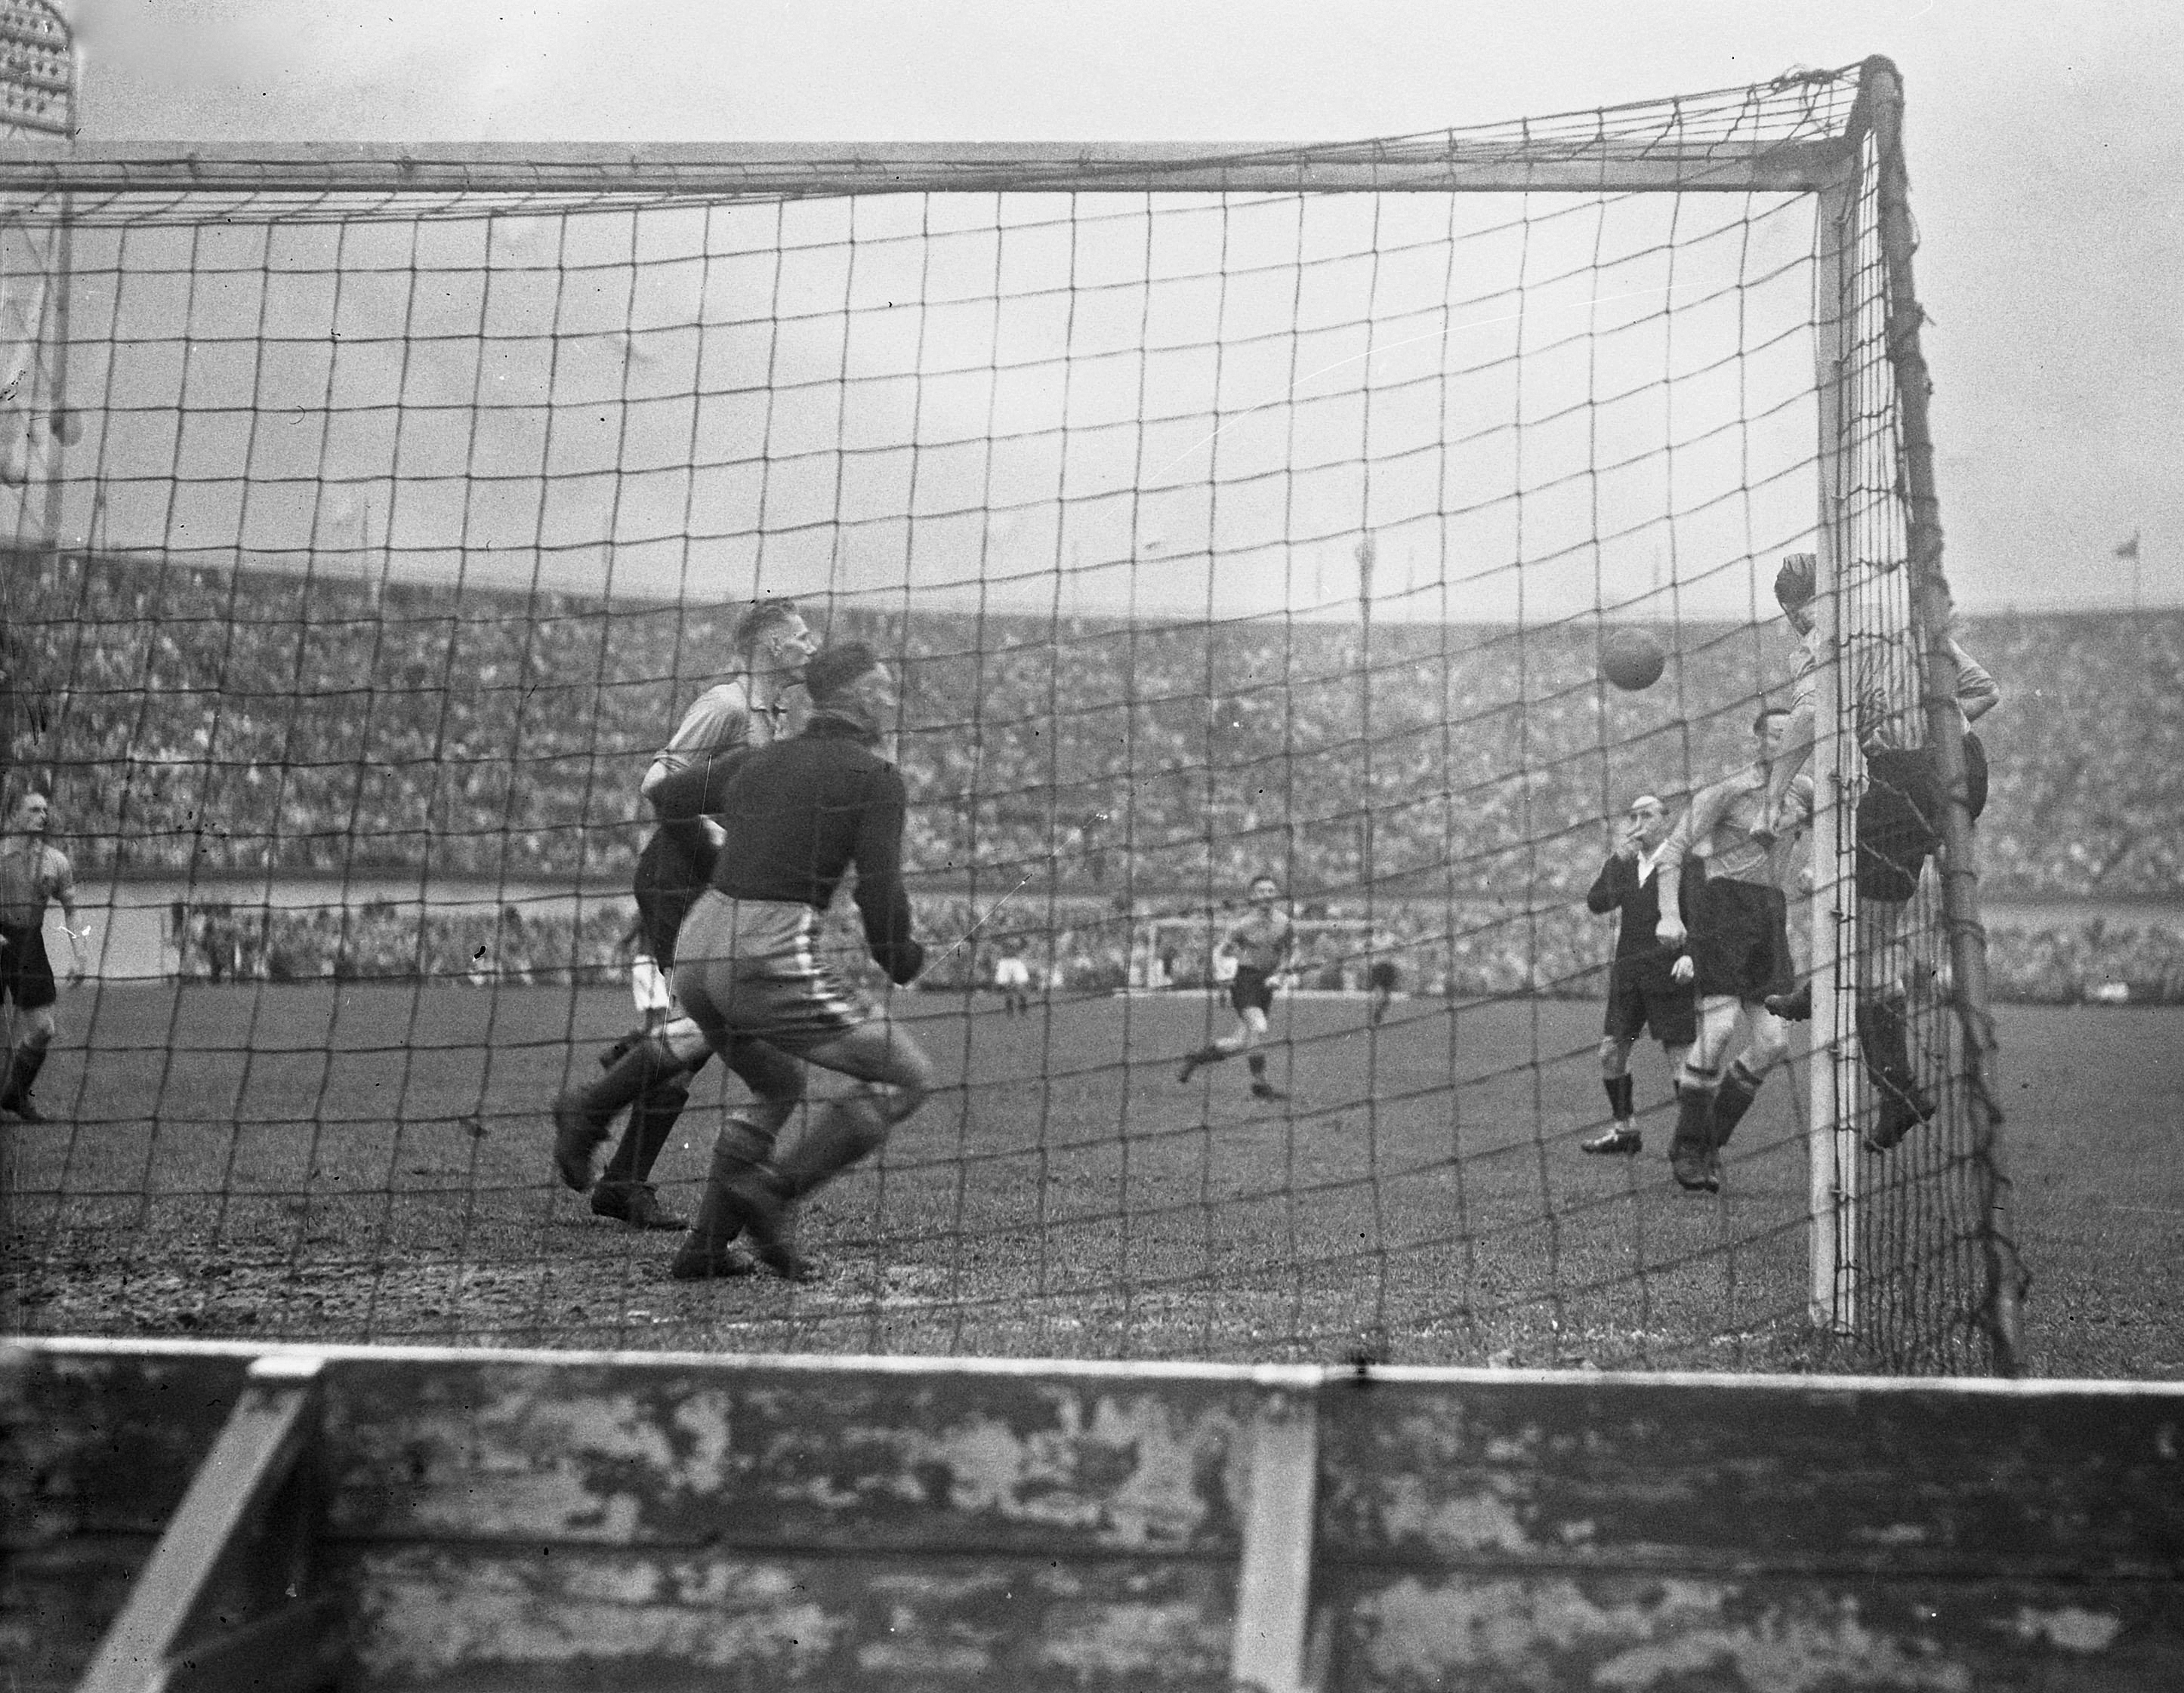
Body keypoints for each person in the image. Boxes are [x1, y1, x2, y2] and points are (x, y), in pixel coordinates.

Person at [665, 641, 935, 1282]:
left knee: (779, 1084)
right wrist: (901, 958)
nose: (891, 700)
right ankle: (774, 1192)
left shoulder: (759, 761)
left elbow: (670, 798)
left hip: (698, 943)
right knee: (907, 1075)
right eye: (885, 687)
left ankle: (704, 1248)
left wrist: (715, 866)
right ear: (859, 697)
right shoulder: (875, 777)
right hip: (765, 948)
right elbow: (879, 890)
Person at [552, 597, 814, 1230]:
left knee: (699, 1023)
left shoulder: (769, 712)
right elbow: (656, 782)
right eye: (801, 636)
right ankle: (602, 1117)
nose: (811, 644)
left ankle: (618, 1147)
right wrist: (726, 844)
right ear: (773, 646)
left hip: (709, 882)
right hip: (678, 873)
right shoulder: (726, 706)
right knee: (704, 1016)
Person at [1759, 554, 2000, 1151]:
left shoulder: (1824, 637)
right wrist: (1926, 721)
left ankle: (1897, 1091)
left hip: (1903, 777)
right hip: (1962, 770)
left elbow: (1811, 713)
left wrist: (1773, 794)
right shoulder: (1901, 620)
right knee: (1869, 922)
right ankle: (1825, 995)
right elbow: (1984, 692)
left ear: (1800, 605)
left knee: (1857, 933)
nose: (1794, 623)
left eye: (1792, 611)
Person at [1652, 709, 1813, 1192]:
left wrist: (1811, 870)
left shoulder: (1805, 792)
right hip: (1723, 910)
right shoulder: (1729, 790)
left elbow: (1825, 830)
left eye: (1792, 737)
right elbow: (1673, 850)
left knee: (1773, 1042)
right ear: (1758, 741)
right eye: (1774, 736)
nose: (1783, 743)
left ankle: (1708, 1145)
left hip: (1769, 913)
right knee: (1720, 1028)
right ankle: (1687, 1148)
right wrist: (1669, 914)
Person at [1578, 792, 1697, 1157]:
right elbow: (1597, 902)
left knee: (1680, 1059)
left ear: (1666, 820)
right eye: (1633, 818)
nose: (1638, 825)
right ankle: (1624, 1130)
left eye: (1646, 816)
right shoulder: (1627, 866)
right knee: (1611, 1053)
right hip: (1629, 973)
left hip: (1669, 974)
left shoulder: (1685, 864)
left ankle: (1694, 1145)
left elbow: (1703, 916)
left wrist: (1692, 956)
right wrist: (1615, 860)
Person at [0, 786, 88, 1123]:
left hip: (28, 944)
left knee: (44, 1029)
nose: (42, 816)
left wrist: (80, 953)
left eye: (44, 811)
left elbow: (72, 910)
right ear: (14, 816)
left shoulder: (56, 861)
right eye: (34, 810)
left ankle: (14, 1096)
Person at [1177, 873, 1294, 1102]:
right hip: (1245, 982)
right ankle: (1260, 1086)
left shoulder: (1285, 923)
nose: (1266, 895)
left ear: (1276, 894)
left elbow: (1290, 951)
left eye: (1271, 891)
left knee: (1241, 1041)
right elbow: (1219, 952)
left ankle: (1195, 1059)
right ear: (1252, 896)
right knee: (1258, 1026)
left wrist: (1280, 974)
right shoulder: (1242, 925)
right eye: (1261, 891)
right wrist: (1223, 980)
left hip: (1266, 984)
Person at [992, 937, 1034, 1017]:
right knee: (1008, 989)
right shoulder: (1003, 932)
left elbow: (1025, 944)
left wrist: (1021, 938)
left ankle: (1023, 1012)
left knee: (1021, 988)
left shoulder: (1018, 934)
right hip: (1004, 962)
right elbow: (995, 941)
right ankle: (1010, 1013)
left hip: (1016, 961)